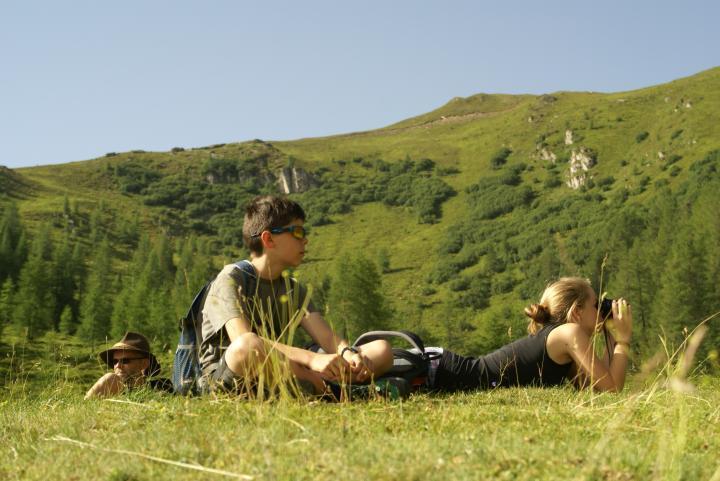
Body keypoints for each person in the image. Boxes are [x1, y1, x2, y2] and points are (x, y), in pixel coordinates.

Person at [198, 195, 394, 396]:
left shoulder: (293, 289)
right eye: (297, 232)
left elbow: (327, 337)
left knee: (382, 350)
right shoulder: (231, 279)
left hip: (284, 369)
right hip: (231, 376)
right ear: (268, 239)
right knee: (249, 346)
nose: (305, 239)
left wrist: (348, 353)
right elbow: (243, 340)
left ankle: (317, 387)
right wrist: (312, 360)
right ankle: (327, 389)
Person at [429, 277, 633, 393]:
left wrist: (612, 335)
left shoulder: (561, 341)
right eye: (595, 305)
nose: (600, 310)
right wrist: (623, 341)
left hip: (441, 372)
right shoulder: (569, 332)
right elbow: (612, 388)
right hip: (439, 371)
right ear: (577, 312)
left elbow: (597, 389)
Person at [85, 332, 173, 399]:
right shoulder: (110, 383)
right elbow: (86, 408)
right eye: (115, 361)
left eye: (125, 360)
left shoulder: (162, 385)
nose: (118, 365)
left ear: (144, 363)